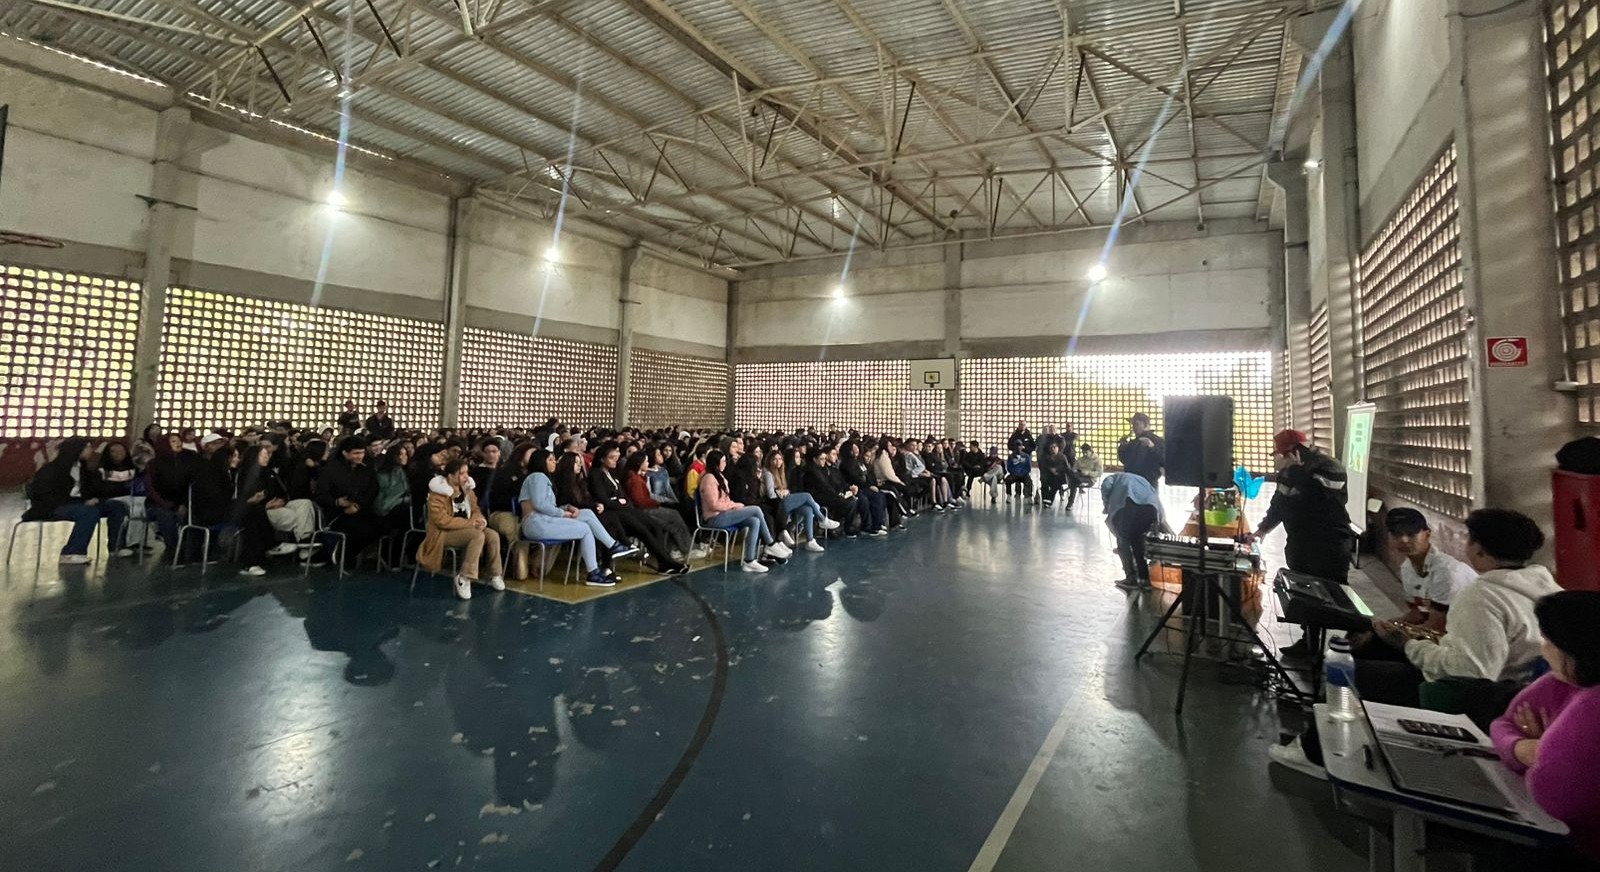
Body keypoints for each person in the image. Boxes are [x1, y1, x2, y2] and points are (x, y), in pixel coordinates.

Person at [1271, 509, 1566, 778]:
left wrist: (1409, 645)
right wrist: (1396, 633)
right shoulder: (1546, 587)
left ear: (1475, 547)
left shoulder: (1483, 596)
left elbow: (1470, 670)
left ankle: (1313, 754)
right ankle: (1340, 734)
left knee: (1350, 673)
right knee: (1370, 644)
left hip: (1478, 697)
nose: (1403, 540)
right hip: (1516, 689)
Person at [1491, 591, 1600, 861]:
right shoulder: (1560, 682)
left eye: (1548, 641)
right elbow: (1503, 724)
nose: (1544, 649)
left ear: (1575, 649)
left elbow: (1553, 795)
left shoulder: (1593, 703)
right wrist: (1523, 749)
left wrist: (1545, 749)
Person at [518, 449, 630, 587]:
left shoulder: (541, 478)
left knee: (587, 513)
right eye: (551, 460)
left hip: (545, 520)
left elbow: (547, 505)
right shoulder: (537, 477)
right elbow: (540, 504)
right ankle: (593, 572)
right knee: (584, 529)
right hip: (536, 523)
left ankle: (612, 545)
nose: (555, 462)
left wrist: (567, 508)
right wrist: (563, 513)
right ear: (542, 462)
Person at [23, 437, 131, 563]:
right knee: (88, 512)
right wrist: (82, 502)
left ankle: (116, 546)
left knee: (116, 506)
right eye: (88, 447)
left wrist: (96, 498)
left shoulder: (83, 469)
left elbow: (94, 490)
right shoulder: (52, 470)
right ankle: (71, 552)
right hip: (52, 507)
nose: (91, 450)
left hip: (77, 504)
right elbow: (46, 496)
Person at [417, 459, 504, 600]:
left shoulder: (468, 491)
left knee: (492, 535)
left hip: (468, 528)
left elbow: (475, 509)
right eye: (461, 473)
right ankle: (464, 577)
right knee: (477, 536)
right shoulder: (437, 494)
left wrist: (480, 520)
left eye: (466, 473)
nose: (466, 477)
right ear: (450, 476)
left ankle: (495, 573)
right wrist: (470, 524)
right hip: (442, 534)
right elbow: (442, 521)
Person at [1383, 508, 1476, 636]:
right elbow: (1419, 613)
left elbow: (1438, 626)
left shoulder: (1447, 571)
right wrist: (1389, 624)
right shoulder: (1407, 568)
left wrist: (1396, 632)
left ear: (1427, 534)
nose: (1404, 540)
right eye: (1396, 534)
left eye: (1411, 534)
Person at [699, 449, 789, 573]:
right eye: (723, 461)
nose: (725, 464)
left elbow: (725, 499)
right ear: (716, 463)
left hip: (725, 513)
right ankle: (770, 544)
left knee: (754, 521)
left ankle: (749, 560)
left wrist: (733, 504)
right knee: (756, 509)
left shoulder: (720, 476)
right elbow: (714, 504)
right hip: (715, 517)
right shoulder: (709, 479)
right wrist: (734, 505)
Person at [316, 436, 390, 565]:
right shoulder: (331, 469)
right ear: (345, 453)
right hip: (337, 512)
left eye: (362, 452)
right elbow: (321, 494)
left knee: (384, 525)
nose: (360, 456)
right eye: (356, 453)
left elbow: (373, 489)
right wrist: (337, 502)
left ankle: (348, 552)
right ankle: (341, 554)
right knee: (361, 529)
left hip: (361, 509)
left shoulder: (367, 467)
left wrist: (358, 505)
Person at [760, 451, 839, 551]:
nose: (778, 461)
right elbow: (771, 495)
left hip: (783, 500)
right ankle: (822, 519)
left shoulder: (781, 472)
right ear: (769, 461)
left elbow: (786, 489)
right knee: (807, 496)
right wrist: (780, 493)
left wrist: (785, 492)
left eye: (780, 459)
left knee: (808, 509)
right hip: (776, 503)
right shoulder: (768, 473)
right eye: (775, 459)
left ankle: (810, 540)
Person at [1101, 472, 1163, 590]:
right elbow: (1155, 496)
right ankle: (1145, 580)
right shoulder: (1141, 479)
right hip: (1150, 510)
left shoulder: (1111, 478)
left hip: (1129, 506)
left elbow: (1107, 487)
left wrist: (1106, 504)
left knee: (1122, 542)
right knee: (1137, 542)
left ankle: (1131, 578)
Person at [1116, 412, 1165, 486]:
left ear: (1145, 425)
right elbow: (1124, 460)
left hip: (1149, 482)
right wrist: (1122, 447)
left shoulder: (1157, 441)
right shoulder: (1133, 443)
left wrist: (1152, 447)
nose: (1134, 428)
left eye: (1136, 424)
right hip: (1131, 481)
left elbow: (1163, 460)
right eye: (1133, 425)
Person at [1038, 441, 1070, 509]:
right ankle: (1063, 486)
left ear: (1058, 448)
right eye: (1051, 448)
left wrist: (1057, 470)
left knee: (1055, 484)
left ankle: (1049, 501)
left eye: (1054, 447)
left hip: (1060, 475)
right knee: (1051, 483)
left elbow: (1066, 468)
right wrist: (1051, 470)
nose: (1053, 449)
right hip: (1051, 475)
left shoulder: (1062, 456)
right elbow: (1044, 467)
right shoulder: (1047, 457)